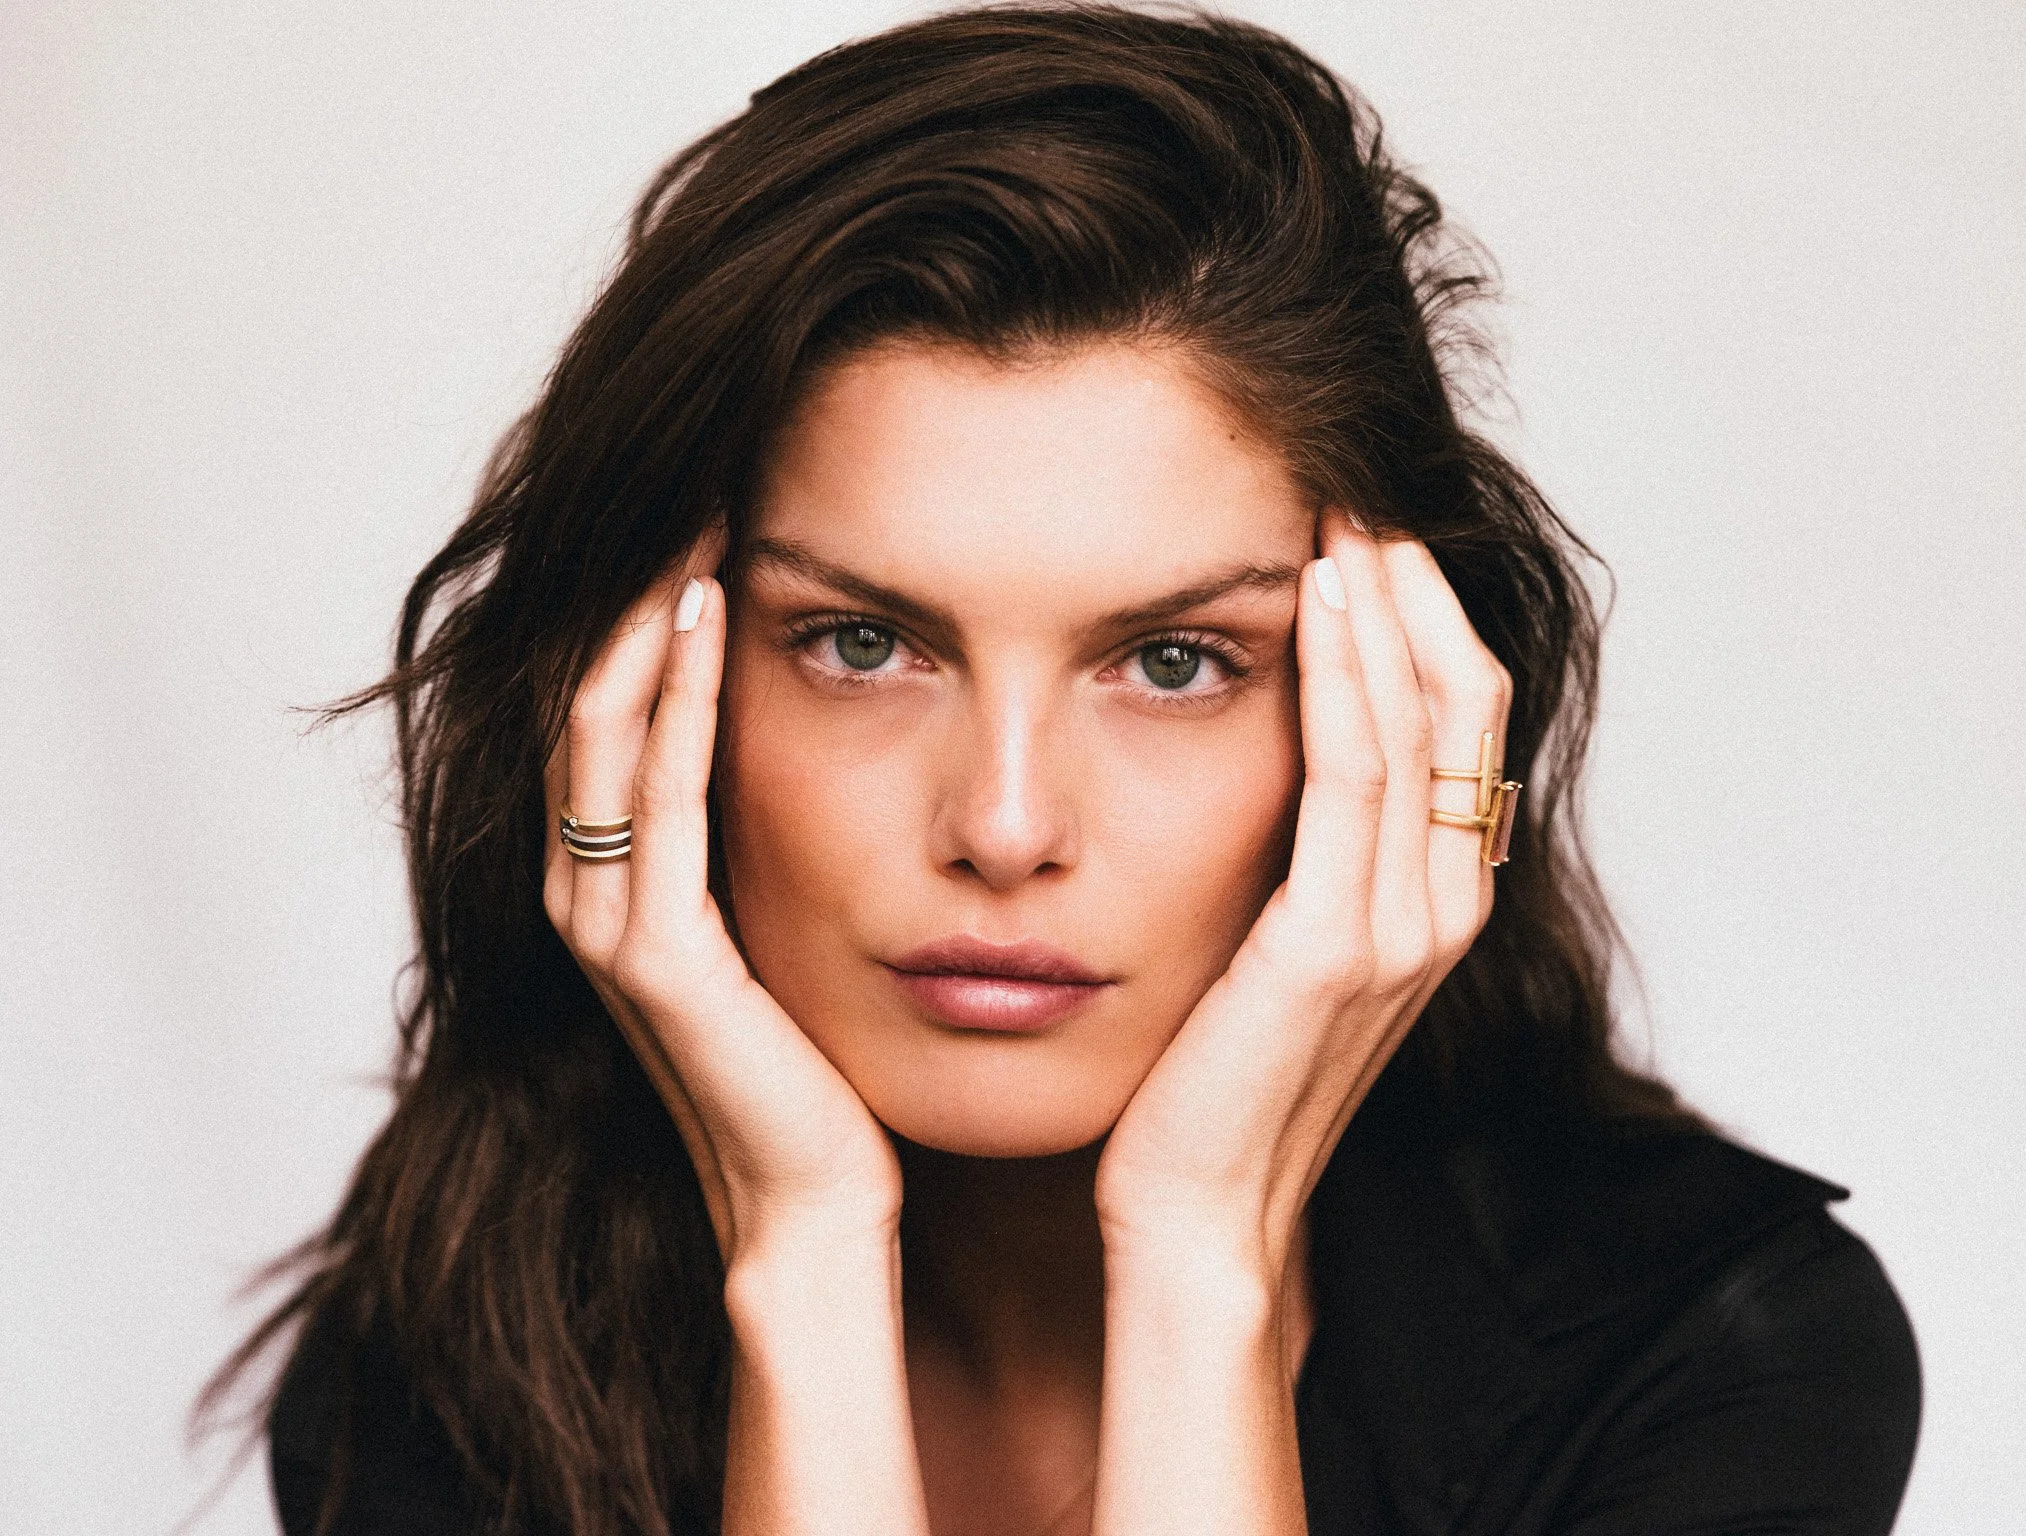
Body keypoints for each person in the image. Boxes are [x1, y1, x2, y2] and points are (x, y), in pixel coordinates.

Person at [210, 7, 1920, 1533]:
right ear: (643, 692)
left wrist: (1202, 1262)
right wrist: (800, 1272)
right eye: (861, 644)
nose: (1007, 825)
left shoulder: (1711, 1367)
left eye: (1175, 662)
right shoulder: (443, 1372)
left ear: (1398, 716)